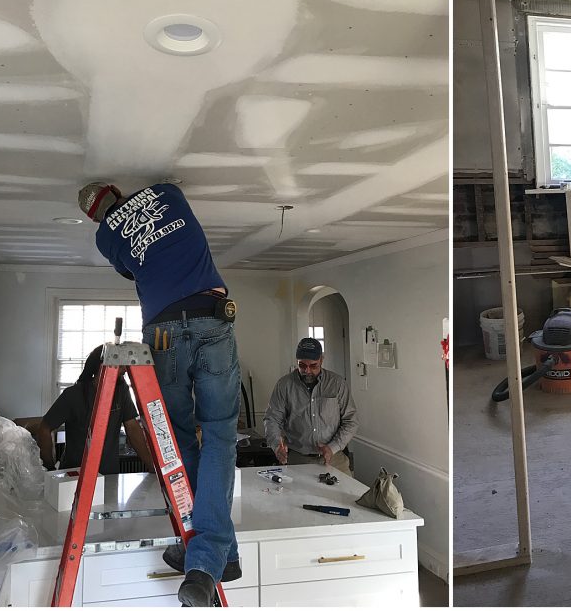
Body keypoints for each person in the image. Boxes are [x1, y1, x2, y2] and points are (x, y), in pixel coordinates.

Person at [78, 181, 241, 606]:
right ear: (118, 189)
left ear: (96, 215)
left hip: (163, 329)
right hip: (211, 317)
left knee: (180, 438)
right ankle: (213, 558)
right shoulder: (167, 191)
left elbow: (132, 270)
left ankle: (208, 553)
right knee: (220, 436)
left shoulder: (105, 236)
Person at [33, 346, 154, 475]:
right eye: (120, 364)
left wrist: (152, 467)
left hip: (109, 476)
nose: (125, 369)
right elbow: (45, 428)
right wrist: (50, 468)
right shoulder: (73, 395)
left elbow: (132, 428)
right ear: (103, 366)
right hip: (74, 476)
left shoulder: (121, 390)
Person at [263, 337, 359, 475]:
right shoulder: (284, 385)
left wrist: (332, 447)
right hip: (297, 460)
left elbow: (351, 421)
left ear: (321, 360)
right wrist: (277, 446)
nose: (307, 371)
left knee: (347, 496)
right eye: (302, 365)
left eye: (313, 366)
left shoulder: (337, 384)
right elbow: (272, 419)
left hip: (334, 458)